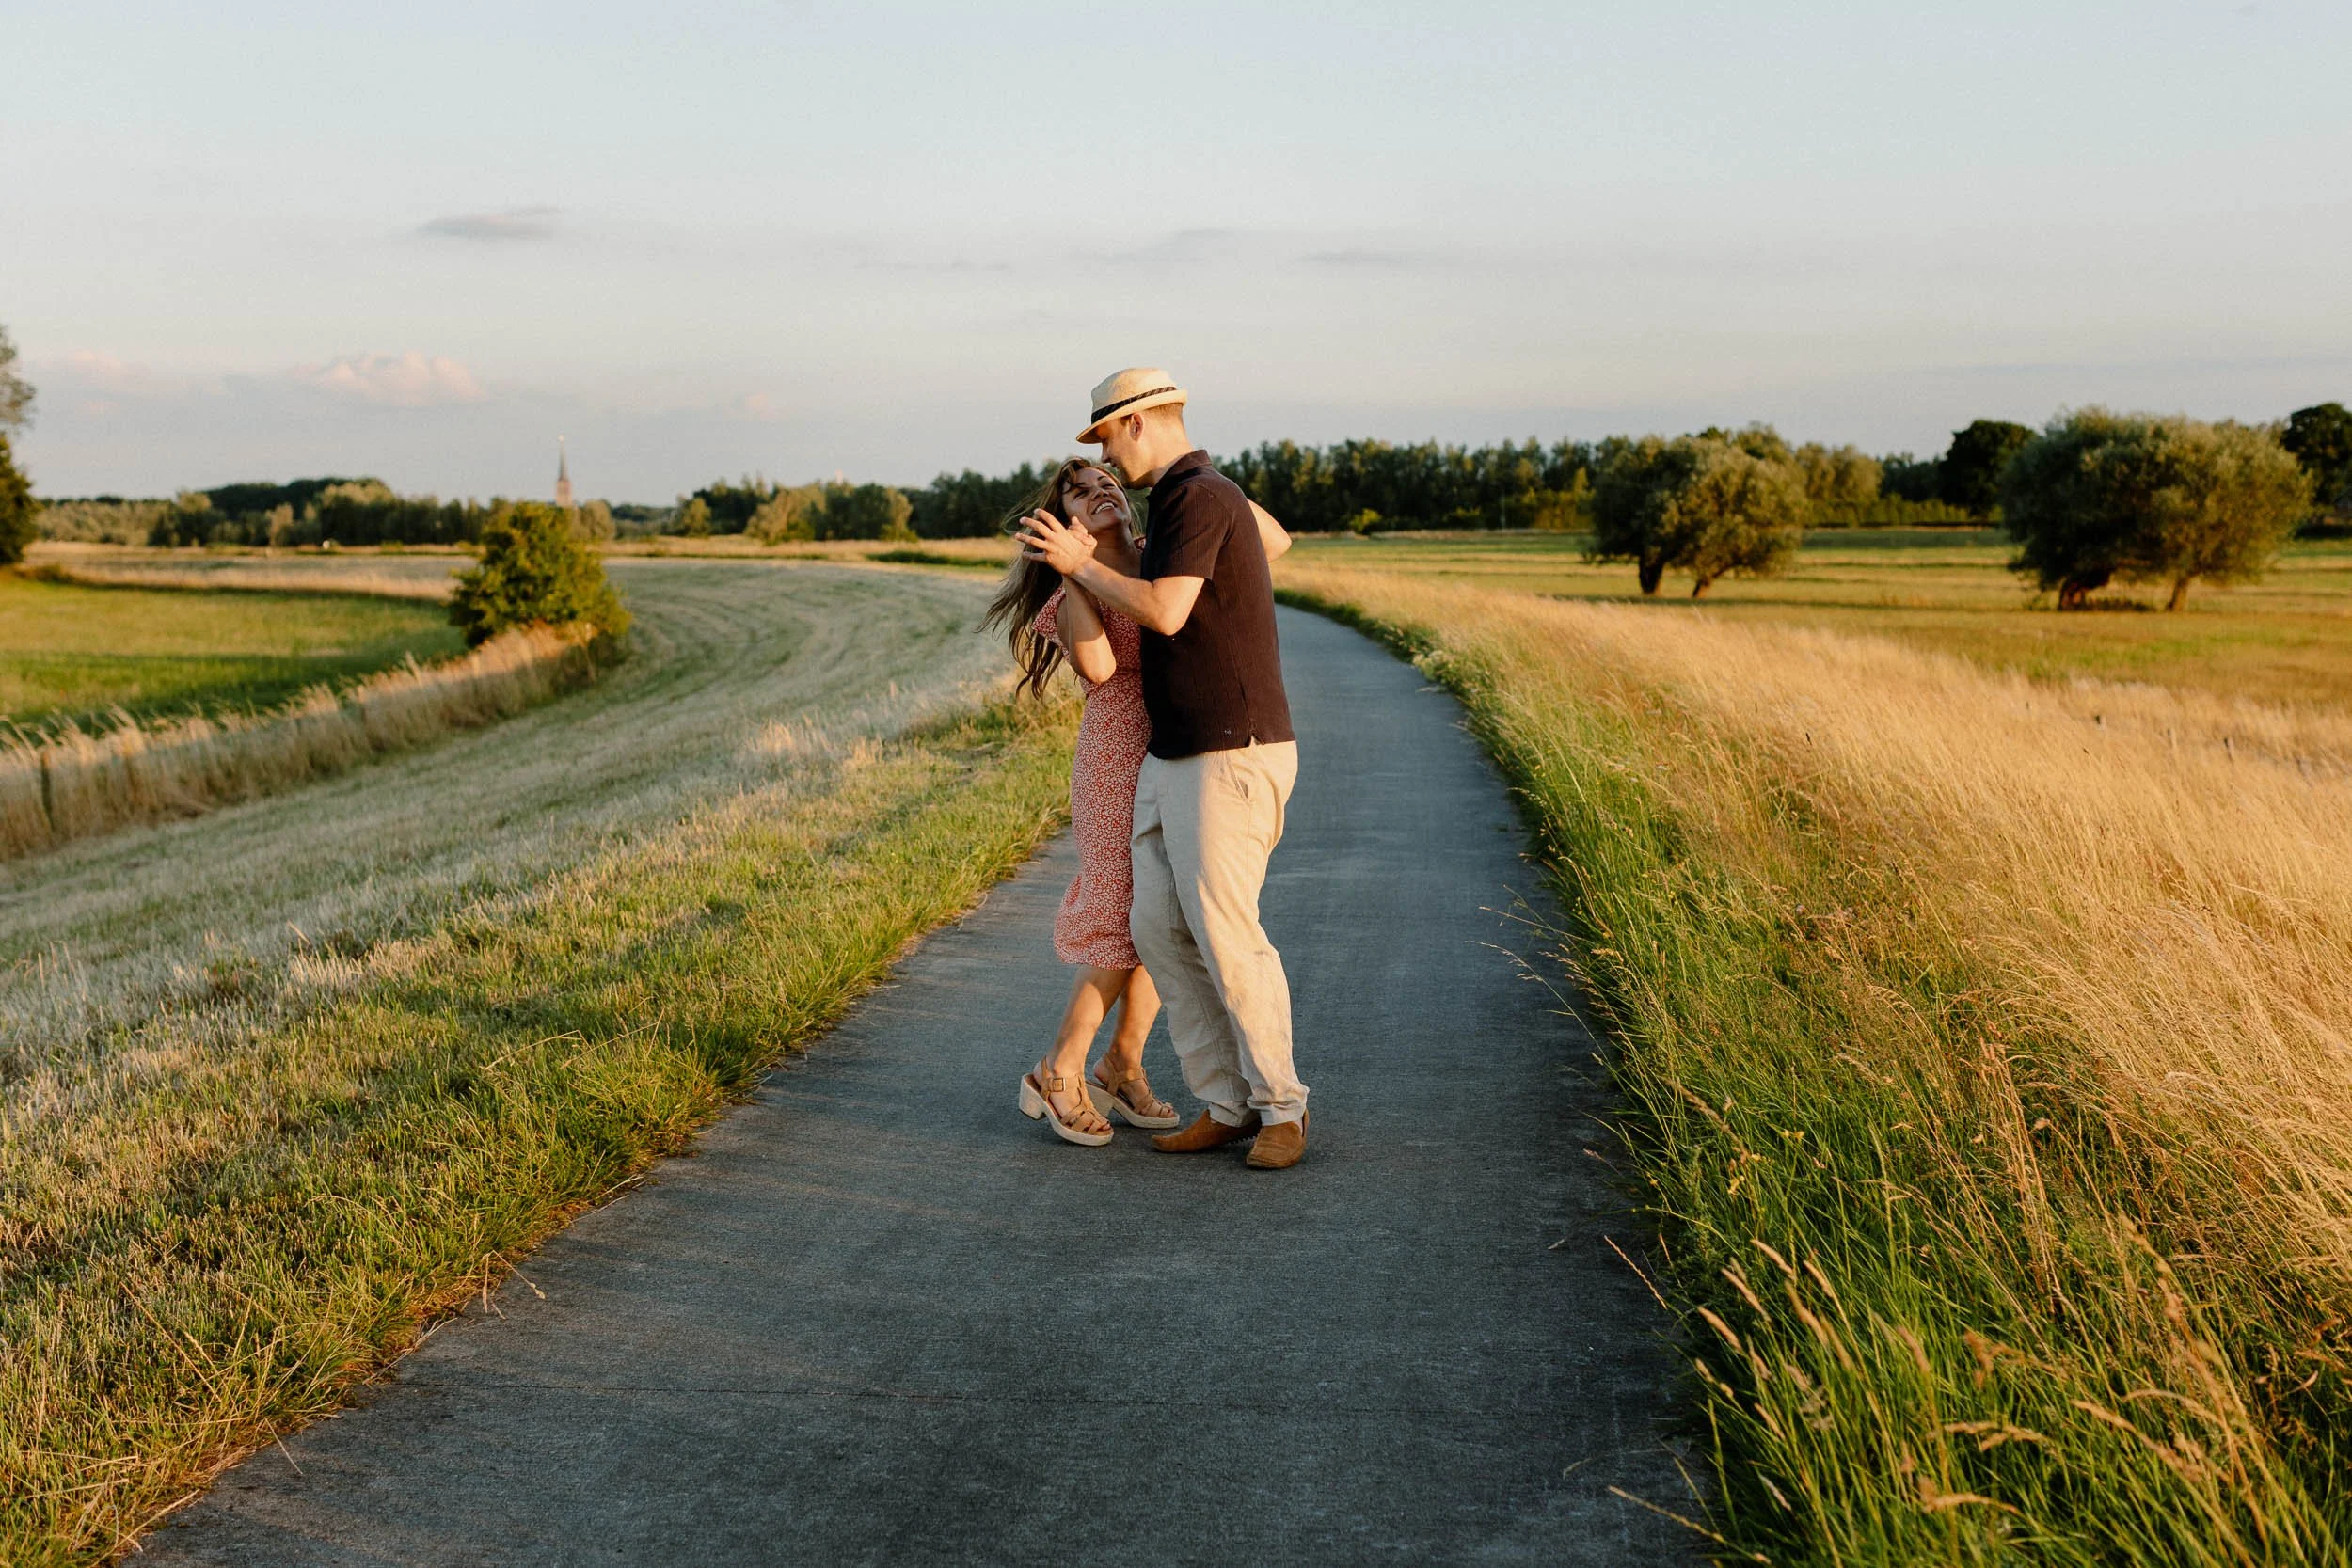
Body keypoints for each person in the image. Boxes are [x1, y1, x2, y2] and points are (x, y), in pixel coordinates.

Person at [1015, 368, 1311, 1170]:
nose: (1106, 465)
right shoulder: (1176, 512)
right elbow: (1105, 665)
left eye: (1105, 443)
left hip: (1222, 749)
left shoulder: (1192, 500)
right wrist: (1081, 562)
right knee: (1152, 925)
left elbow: (1181, 604)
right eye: (1085, 475)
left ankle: (1279, 1107)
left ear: (1139, 423)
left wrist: (1211, 495)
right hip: (1156, 755)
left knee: (1220, 931)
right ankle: (1220, 1099)